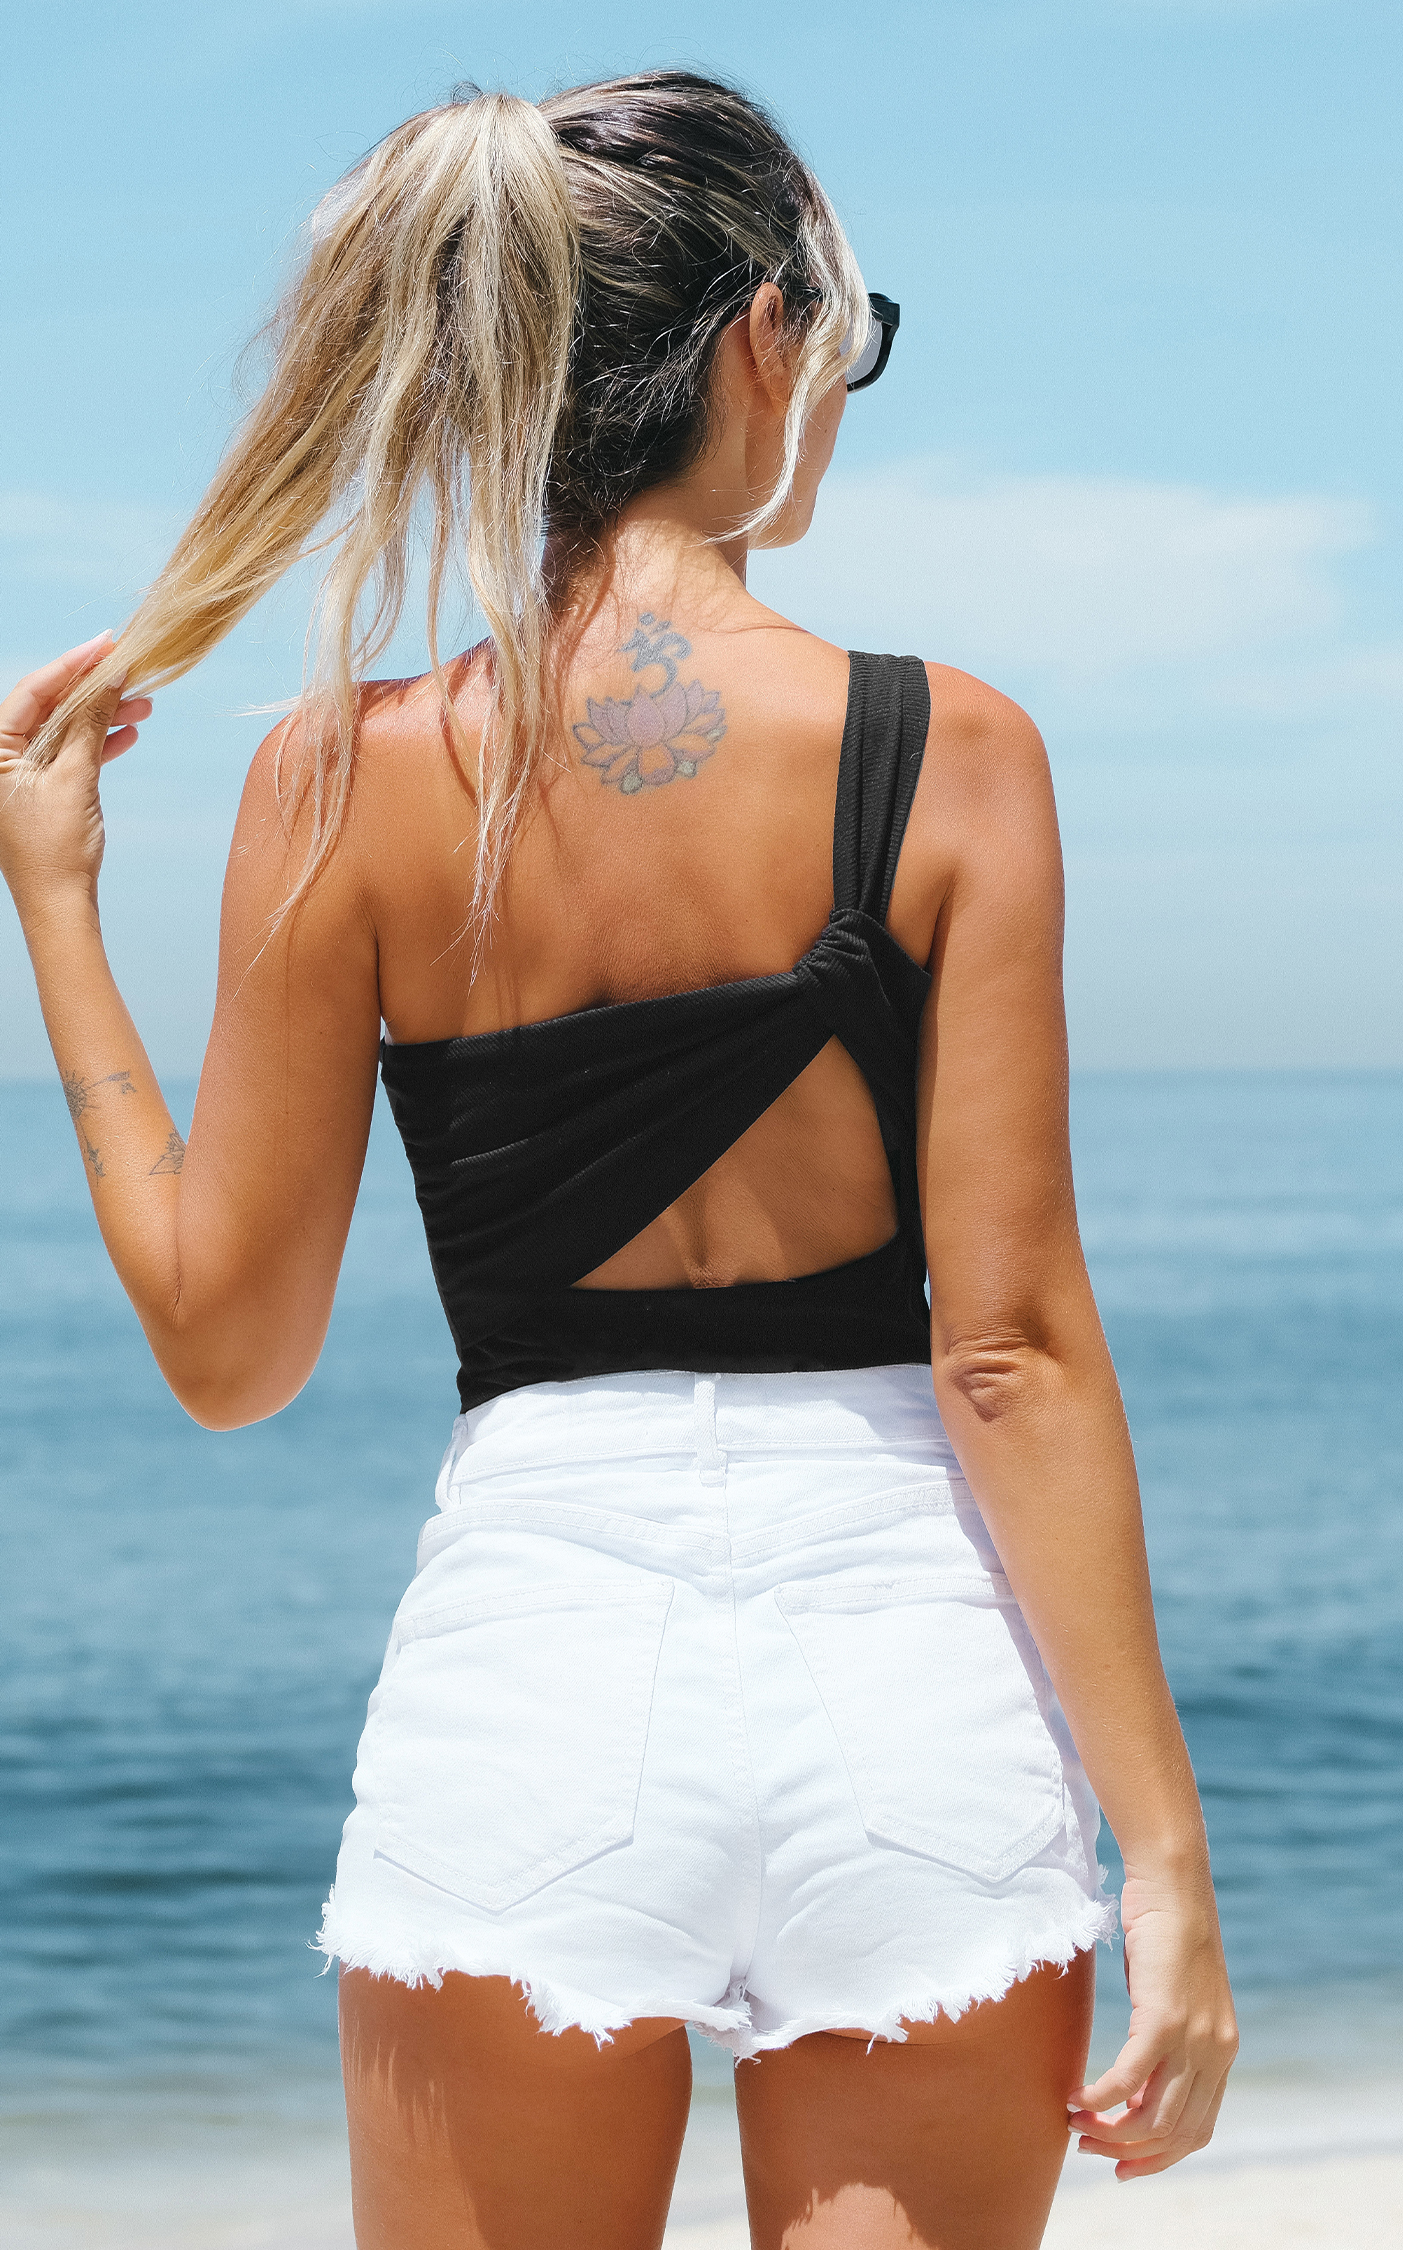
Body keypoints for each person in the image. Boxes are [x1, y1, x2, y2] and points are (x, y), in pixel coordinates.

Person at [0, 70, 1237, 2250]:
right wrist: (1166, 1859)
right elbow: (1012, 1353)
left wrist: (56, 909)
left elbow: (227, 1348)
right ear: (762, 336)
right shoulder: (951, 750)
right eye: (848, 338)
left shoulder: (342, 775)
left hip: (538, 1677)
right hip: (910, 1682)